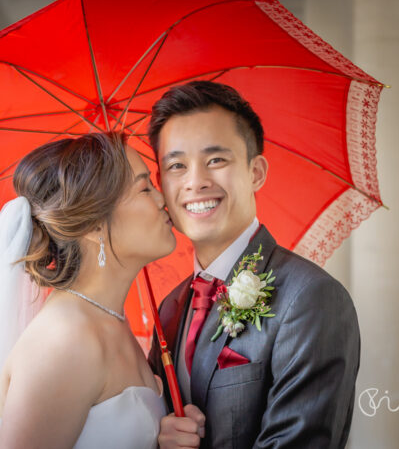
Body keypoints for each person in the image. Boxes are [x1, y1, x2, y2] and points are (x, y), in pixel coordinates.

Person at [147, 81, 361, 448]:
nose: (195, 181)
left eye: (216, 160)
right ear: (161, 184)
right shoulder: (168, 307)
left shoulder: (310, 298)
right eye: (177, 165)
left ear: (256, 172)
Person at [0, 132, 176, 448]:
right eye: (146, 188)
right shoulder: (64, 342)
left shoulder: (108, 318)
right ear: (94, 225)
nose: (163, 199)